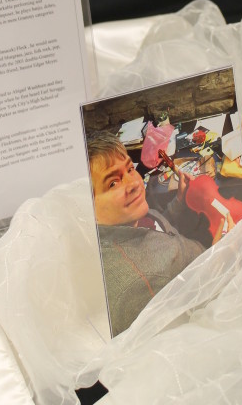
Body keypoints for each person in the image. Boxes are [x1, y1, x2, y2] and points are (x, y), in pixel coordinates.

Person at [87, 131, 233, 335]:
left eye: (130, 169)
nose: (134, 184)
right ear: (86, 209)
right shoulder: (136, 284)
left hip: (202, 252)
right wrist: (219, 262)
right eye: (113, 183)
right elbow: (192, 326)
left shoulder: (132, 217)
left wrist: (180, 201)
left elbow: (158, 226)